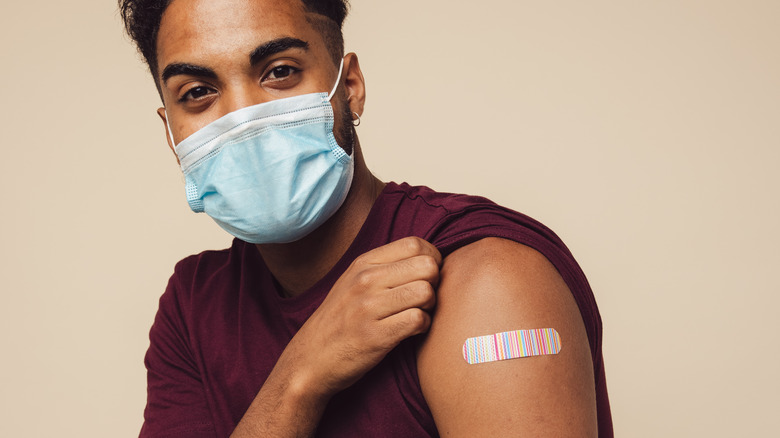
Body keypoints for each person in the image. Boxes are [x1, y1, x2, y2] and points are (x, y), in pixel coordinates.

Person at [119, 0, 613, 436]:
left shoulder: (488, 279)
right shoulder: (193, 305)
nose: (243, 116)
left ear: (349, 87)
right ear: (171, 133)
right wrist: (299, 379)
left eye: (280, 70)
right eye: (197, 92)